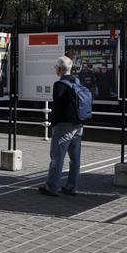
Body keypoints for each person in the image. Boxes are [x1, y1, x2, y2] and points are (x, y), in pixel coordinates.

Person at [39, 56, 84, 197]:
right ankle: (72, 187)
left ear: (59, 69)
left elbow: (57, 107)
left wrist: (54, 123)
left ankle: (52, 187)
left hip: (63, 125)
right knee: (75, 158)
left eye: (55, 68)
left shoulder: (59, 85)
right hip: (78, 124)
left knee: (57, 157)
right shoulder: (77, 81)